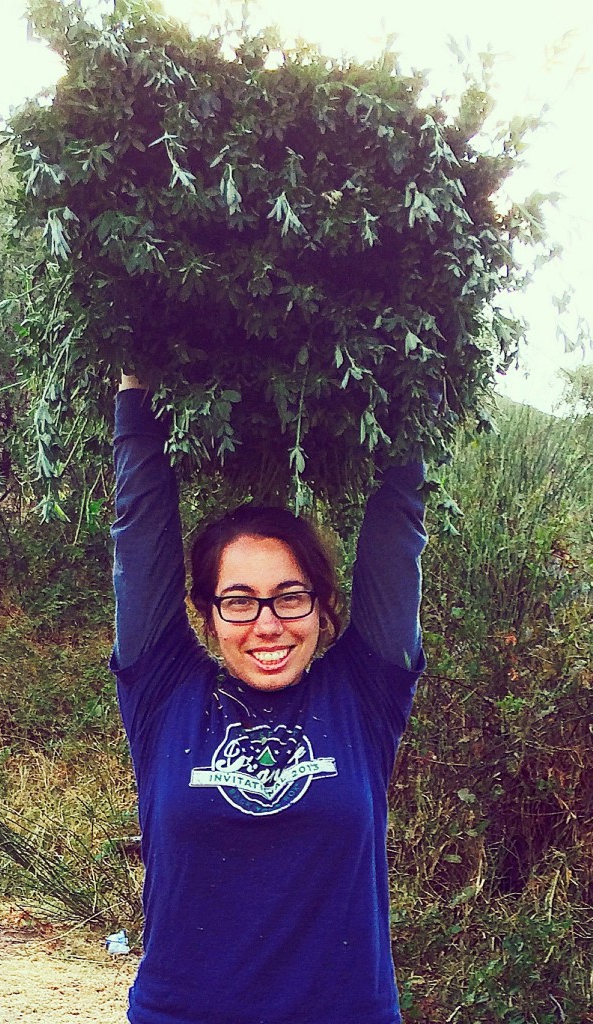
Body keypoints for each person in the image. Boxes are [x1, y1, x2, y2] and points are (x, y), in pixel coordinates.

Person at [111, 372, 427, 1024]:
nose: (267, 624)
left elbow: (398, 528)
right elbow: (139, 532)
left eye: (290, 596)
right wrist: (137, 394)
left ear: (321, 603)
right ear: (203, 613)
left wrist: (413, 392)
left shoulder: (363, 694)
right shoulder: (164, 693)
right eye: (238, 601)